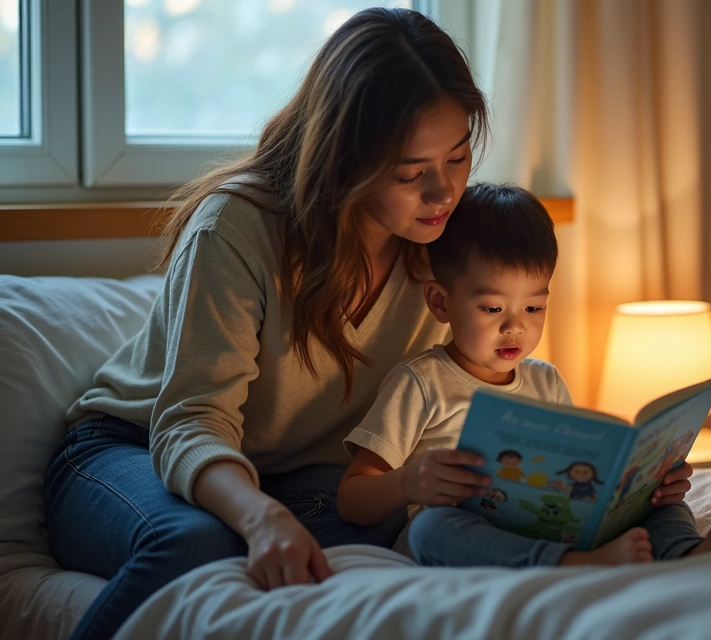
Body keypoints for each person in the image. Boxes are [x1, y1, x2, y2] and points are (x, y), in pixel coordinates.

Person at [42, 9, 486, 639]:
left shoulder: (449, 248)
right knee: (201, 544)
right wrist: (258, 518)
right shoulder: (239, 228)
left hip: (296, 480)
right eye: (412, 173)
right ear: (346, 157)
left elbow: (483, 375)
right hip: (134, 450)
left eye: (460, 156)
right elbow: (191, 420)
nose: (445, 192)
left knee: (435, 532)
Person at [336, 184, 711, 568]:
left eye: (533, 307)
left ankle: (691, 554)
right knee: (432, 528)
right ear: (440, 302)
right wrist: (411, 482)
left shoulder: (546, 381)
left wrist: (645, 483)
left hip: (550, 522)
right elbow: (352, 497)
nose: (515, 327)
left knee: (659, 506)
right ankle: (574, 564)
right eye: (491, 308)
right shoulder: (421, 382)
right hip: (463, 535)